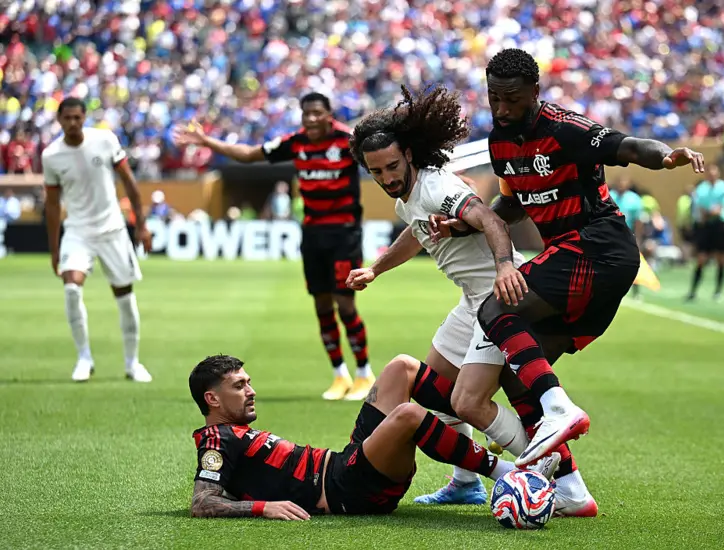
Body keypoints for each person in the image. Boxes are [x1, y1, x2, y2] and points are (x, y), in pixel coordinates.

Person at [434, 48, 704, 470]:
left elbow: (627, 146)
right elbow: (514, 205)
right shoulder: (499, 142)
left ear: (535, 92)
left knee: (495, 306)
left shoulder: (564, 128)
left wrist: (667, 156)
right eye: (494, 98)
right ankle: (568, 486)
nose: (502, 109)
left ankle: (558, 406)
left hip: (598, 246)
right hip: (575, 260)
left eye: (513, 99)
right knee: (516, 374)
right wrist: (462, 225)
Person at [345, 85, 550, 509]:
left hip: (496, 300)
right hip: (470, 302)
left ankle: (546, 465)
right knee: (434, 388)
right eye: (377, 171)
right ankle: (465, 484)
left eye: (392, 166)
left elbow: (492, 219)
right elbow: (415, 233)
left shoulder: (437, 187)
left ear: (410, 155)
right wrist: (376, 269)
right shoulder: (410, 196)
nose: (387, 178)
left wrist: (504, 267)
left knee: (467, 402)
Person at [173, 93, 373, 401]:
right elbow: (249, 154)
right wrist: (208, 142)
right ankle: (339, 375)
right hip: (312, 234)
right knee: (321, 306)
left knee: (345, 305)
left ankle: (363, 373)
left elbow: (384, 157)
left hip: (344, 234)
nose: (311, 118)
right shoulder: (296, 142)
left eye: (317, 113)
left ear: (329, 114)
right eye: (306, 113)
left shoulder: (348, 140)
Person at [188, 354, 559, 519]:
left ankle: (477, 408)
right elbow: (202, 502)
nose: (251, 391)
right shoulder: (216, 439)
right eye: (239, 386)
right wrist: (263, 507)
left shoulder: (234, 431)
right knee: (410, 415)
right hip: (346, 491)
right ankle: (509, 473)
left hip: (343, 463)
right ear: (212, 399)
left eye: (249, 382)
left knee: (402, 368)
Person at [42, 97, 153, 382]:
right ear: (59, 120)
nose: (73, 123)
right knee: (71, 289)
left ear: (85, 117)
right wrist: (54, 251)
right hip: (77, 231)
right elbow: (52, 205)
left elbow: (129, 182)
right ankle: (84, 358)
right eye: (67, 118)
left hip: (112, 229)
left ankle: (132, 363)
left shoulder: (104, 140)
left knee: (125, 297)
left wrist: (141, 226)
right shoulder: (52, 155)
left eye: (77, 118)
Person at [686, 164, 724, 301]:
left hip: (719, 226)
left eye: (714, 171)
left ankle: (718, 291)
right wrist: (708, 213)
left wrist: (710, 212)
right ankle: (693, 290)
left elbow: (719, 209)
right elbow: (700, 209)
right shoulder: (701, 189)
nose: (712, 174)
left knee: (721, 259)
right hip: (705, 227)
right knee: (701, 258)